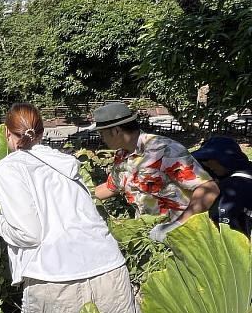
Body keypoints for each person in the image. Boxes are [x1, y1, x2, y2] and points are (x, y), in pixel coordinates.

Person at [0, 103, 144, 313]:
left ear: (7, 134)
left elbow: (27, 233)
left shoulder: (10, 167)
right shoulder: (65, 163)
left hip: (54, 279)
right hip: (109, 269)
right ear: (42, 133)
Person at [90, 102, 219, 242]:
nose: (101, 138)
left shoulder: (164, 150)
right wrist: (75, 198)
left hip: (183, 237)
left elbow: (209, 188)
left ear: (116, 131)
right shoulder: (122, 156)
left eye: (102, 133)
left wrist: (178, 225)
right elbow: (111, 187)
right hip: (149, 237)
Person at [191, 136, 252, 236]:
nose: (207, 164)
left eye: (209, 159)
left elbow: (226, 228)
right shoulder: (246, 170)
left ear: (224, 159)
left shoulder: (230, 187)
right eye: (204, 161)